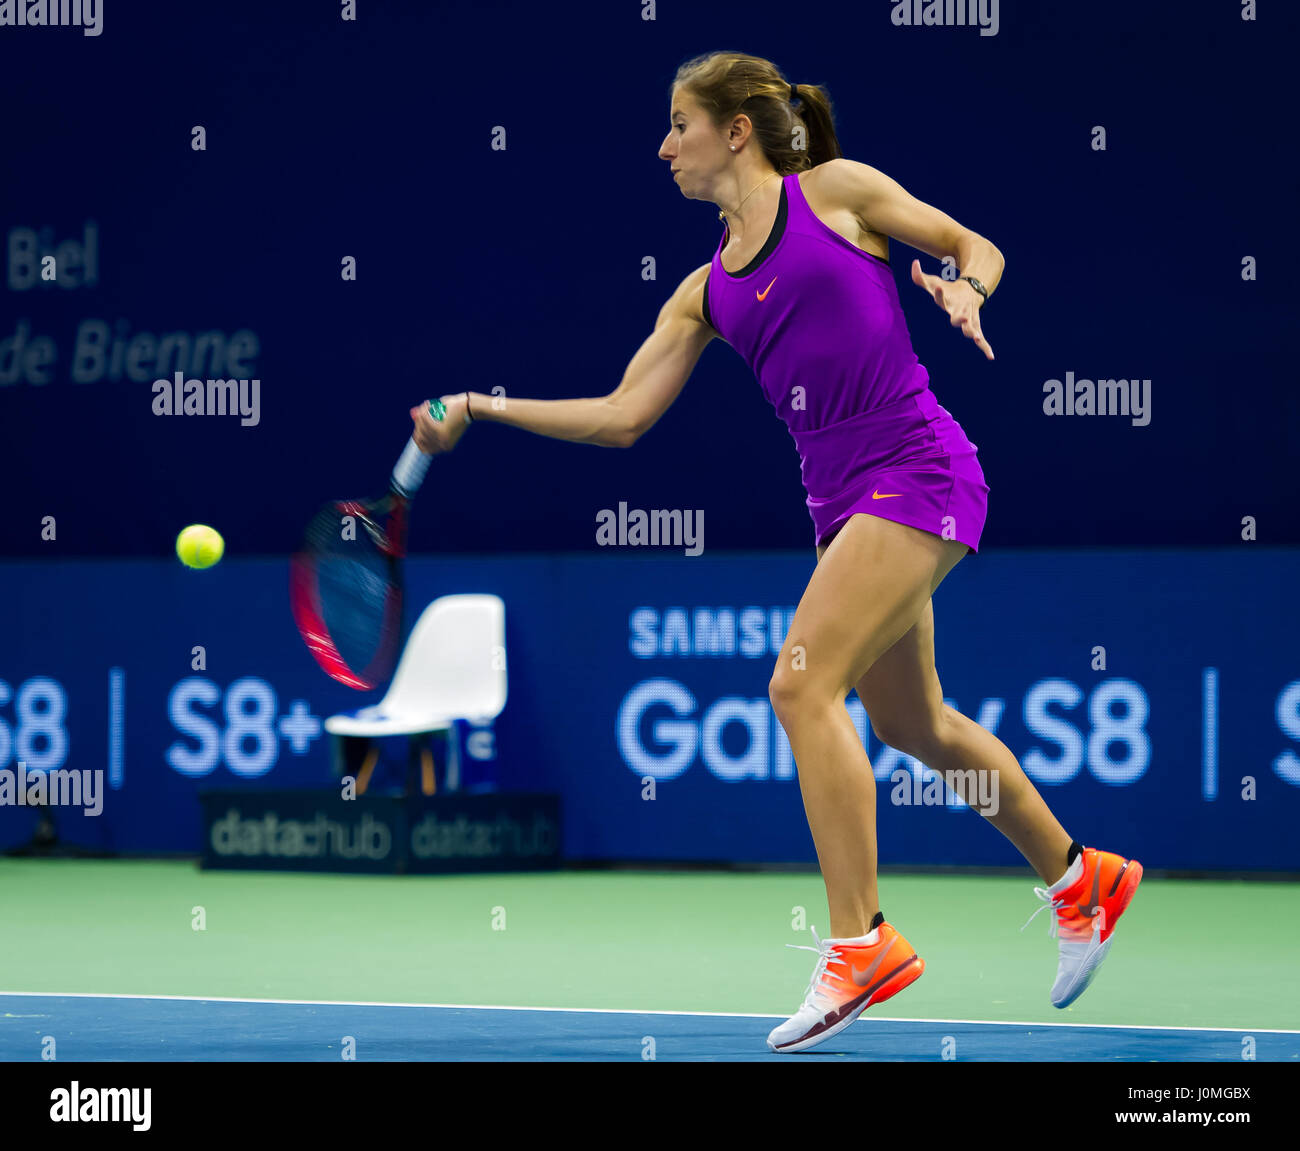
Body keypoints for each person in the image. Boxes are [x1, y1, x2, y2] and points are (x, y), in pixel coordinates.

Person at [409, 50, 1142, 1055]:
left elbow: (974, 241)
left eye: (679, 123)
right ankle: (1078, 877)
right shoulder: (702, 293)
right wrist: (481, 408)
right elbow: (622, 417)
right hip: (844, 506)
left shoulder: (835, 195)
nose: (664, 145)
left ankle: (860, 941)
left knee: (797, 687)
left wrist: (969, 288)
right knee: (914, 723)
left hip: (918, 469)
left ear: (736, 130)